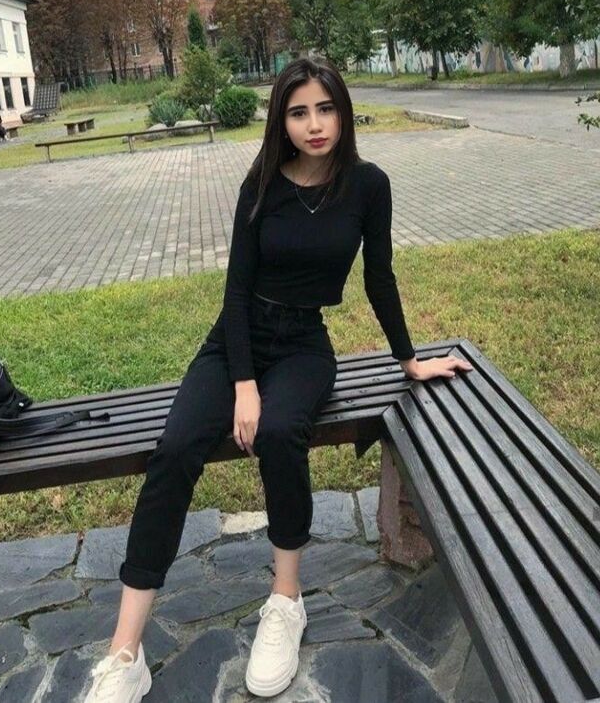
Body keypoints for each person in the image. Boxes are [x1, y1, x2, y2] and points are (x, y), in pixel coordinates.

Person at [83, 57, 473, 702]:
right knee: (175, 448)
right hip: (234, 342)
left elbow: (379, 278)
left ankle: (286, 601)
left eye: (326, 108)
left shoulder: (368, 186)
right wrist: (243, 383)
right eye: (298, 112)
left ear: (343, 112)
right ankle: (125, 651)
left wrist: (409, 359)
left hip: (303, 346)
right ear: (281, 121)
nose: (314, 124)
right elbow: (235, 289)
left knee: (282, 431)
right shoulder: (261, 182)